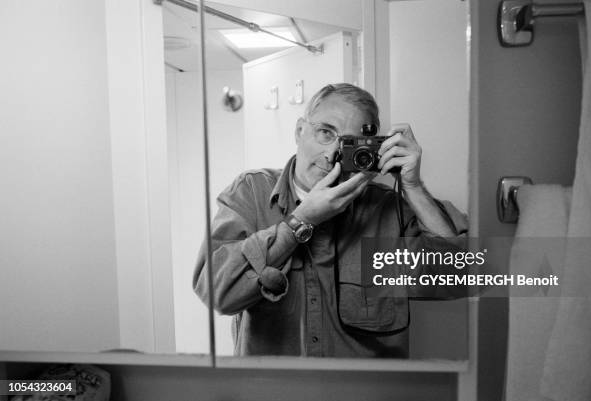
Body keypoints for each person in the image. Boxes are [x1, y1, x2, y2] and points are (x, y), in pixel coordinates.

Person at [193, 83, 467, 358]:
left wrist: (414, 187)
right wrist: (300, 221)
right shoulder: (251, 193)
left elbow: (460, 280)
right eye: (326, 133)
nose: (333, 154)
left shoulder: (386, 208)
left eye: (350, 144)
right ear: (299, 130)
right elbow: (216, 292)